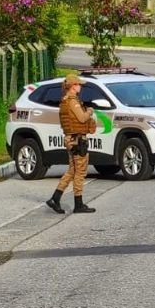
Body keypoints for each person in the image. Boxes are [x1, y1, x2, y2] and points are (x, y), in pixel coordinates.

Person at [45, 73, 96, 214]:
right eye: (78, 84)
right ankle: (78, 204)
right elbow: (81, 118)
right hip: (77, 140)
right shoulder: (73, 102)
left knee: (72, 171)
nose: (80, 87)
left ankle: (55, 198)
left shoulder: (65, 101)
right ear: (73, 86)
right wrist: (90, 111)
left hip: (71, 139)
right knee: (80, 171)